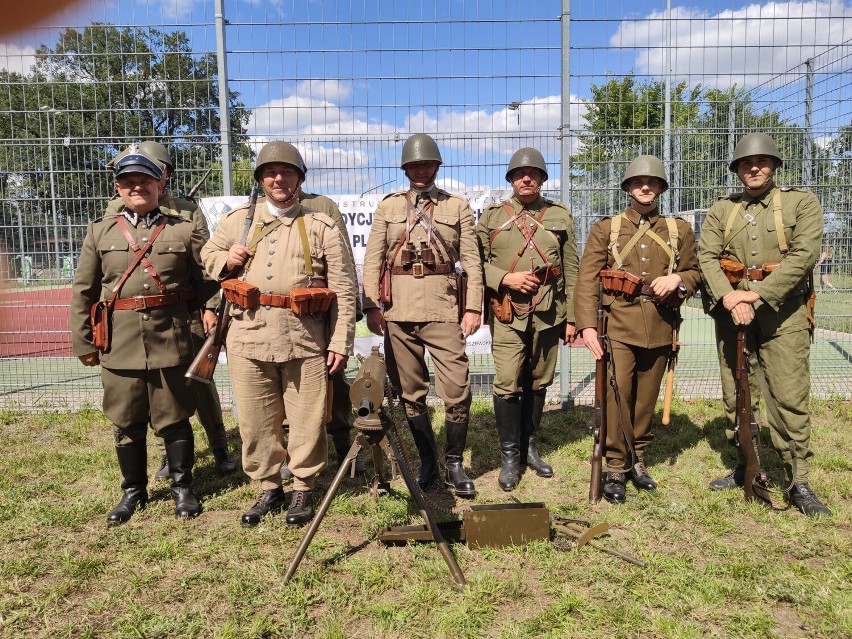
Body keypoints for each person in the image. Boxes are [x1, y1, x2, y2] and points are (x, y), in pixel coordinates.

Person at [201, 141, 357, 527]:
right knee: (256, 420)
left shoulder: (320, 225)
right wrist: (226, 259)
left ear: (300, 179)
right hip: (248, 336)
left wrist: (340, 341)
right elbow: (208, 256)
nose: (278, 179)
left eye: (287, 172)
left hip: (303, 337)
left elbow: (343, 286)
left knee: (307, 417)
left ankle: (303, 486)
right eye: (270, 173)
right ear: (259, 180)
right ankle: (268, 485)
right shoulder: (238, 221)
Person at [70, 147, 218, 524]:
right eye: (129, 182)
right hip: (118, 342)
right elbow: (84, 291)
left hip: (171, 338)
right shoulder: (99, 232)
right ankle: (133, 490)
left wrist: (214, 312)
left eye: (144, 181)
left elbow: (206, 283)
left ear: (159, 183)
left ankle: (183, 487)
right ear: (119, 189)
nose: (137, 187)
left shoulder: (181, 229)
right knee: (126, 420)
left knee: (175, 417)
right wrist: (84, 342)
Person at [698, 132, 829, 517]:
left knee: (788, 395)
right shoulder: (723, 209)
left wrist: (754, 295)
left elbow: (804, 255)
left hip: (782, 313)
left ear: (774, 165)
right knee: (737, 392)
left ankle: (798, 479)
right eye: (745, 163)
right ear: (737, 169)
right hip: (731, 313)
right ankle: (745, 465)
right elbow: (707, 256)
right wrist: (728, 297)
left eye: (762, 162)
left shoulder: (800, 203)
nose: (754, 168)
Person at [361, 133, 484, 497]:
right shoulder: (388, 207)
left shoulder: (456, 206)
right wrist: (371, 306)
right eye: (414, 165)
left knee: (458, 388)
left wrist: (473, 305)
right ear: (405, 169)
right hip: (398, 311)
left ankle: (454, 462)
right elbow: (373, 258)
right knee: (410, 391)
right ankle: (428, 460)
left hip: (443, 307)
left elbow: (472, 263)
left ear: (436, 166)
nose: (421, 170)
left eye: (427, 164)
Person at [107, 141, 237, 478]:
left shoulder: (186, 210)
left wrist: (208, 307)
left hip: (184, 312)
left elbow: (204, 262)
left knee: (198, 381)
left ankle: (219, 445)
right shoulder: (114, 211)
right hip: (137, 322)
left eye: (157, 169)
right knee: (153, 390)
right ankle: (170, 453)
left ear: (164, 174)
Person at [574, 155, 699, 503]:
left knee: (646, 397)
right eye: (638, 182)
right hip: (619, 324)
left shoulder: (679, 230)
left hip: (662, 324)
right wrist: (586, 326)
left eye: (652, 182)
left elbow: (695, 272)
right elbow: (587, 281)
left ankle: (638, 458)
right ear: (628, 187)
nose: (645, 187)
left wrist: (678, 279)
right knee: (617, 395)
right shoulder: (607, 228)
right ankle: (615, 464)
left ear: (660, 188)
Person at [476, 147, 579, 491]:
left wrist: (574, 317)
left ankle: (530, 449)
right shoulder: (492, 216)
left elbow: (572, 268)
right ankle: (509, 456)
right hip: (508, 311)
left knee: (539, 380)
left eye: (534, 173)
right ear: (510, 179)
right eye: (520, 174)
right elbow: (473, 263)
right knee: (507, 381)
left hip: (551, 310)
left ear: (542, 179)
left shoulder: (560, 215)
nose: (526, 178)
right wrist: (505, 278)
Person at [279, 187, 368, 480]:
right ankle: (290, 452)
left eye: (288, 170)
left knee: (334, 382)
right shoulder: (261, 210)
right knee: (281, 387)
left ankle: (344, 447)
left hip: (321, 310)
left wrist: (346, 313)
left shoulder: (322, 205)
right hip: (279, 318)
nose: (280, 178)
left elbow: (342, 259)